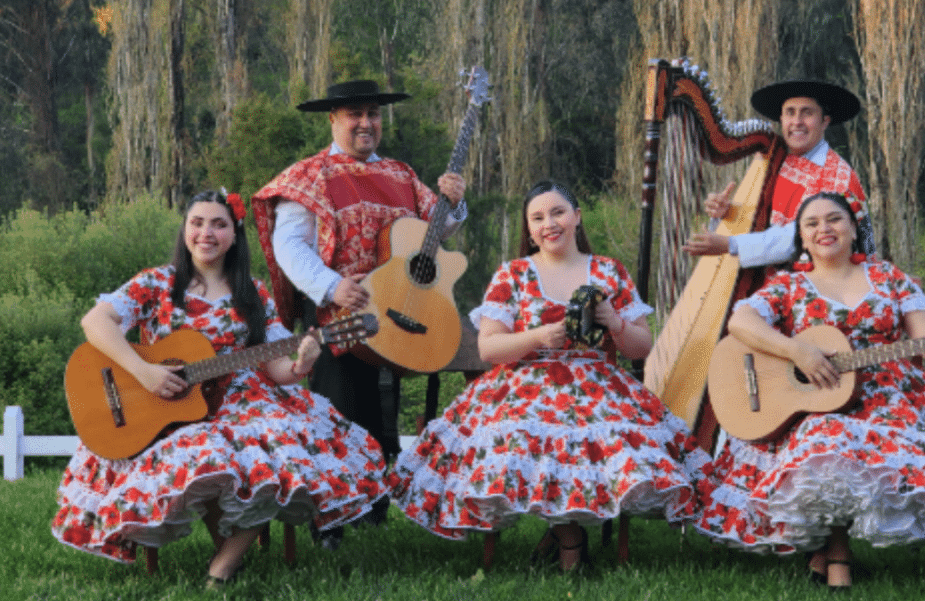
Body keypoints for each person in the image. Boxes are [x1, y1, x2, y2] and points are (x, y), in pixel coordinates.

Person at [691, 191, 925, 589]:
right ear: (802, 240)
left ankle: (829, 555)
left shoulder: (888, 278)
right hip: (813, 397)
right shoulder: (788, 285)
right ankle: (834, 555)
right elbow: (741, 322)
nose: (824, 229)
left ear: (853, 229)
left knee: (838, 439)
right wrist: (799, 352)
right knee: (824, 433)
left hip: (888, 395)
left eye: (834, 220)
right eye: (812, 224)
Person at [51, 190, 390, 589]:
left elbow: (278, 368)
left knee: (277, 448)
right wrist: (143, 372)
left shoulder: (254, 292)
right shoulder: (157, 283)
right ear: (185, 229)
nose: (206, 233)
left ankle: (224, 566)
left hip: (243, 402)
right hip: (167, 402)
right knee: (210, 453)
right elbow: (96, 322)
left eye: (218, 224)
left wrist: (304, 360)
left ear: (234, 233)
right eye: (197, 222)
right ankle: (228, 555)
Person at [389, 180, 717, 571]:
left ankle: (563, 531)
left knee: (607, 441)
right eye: (538, 217)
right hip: (525, 383)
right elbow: (489, 348)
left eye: (558, 212)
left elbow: (641, 347)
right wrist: (537, 336)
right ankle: (570, 536)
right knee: (516, 439)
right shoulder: (513, 274)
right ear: (529, 229)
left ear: (577, 217)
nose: (549, 223)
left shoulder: (610, 271)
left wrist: (614, 322)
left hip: (597, 384)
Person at [250, 80, 466, 545]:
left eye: (372, 113)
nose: (366, 123)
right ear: (334, 120)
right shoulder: (309, 176)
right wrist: (331, 286)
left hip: (399, 309)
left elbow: (437, 229)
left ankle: (372, 504)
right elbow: (289, 244)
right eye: (355, 114)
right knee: (337, 411)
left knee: (379, 410)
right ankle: (330, 515)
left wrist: (455, 199)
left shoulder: (401, 174)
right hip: (339, 311)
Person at [684, 80, 875, 267]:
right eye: (790, 113)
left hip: (824, 284)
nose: (797, 122)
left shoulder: (836, 178)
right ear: (781, 119)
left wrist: (730, 244)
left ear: (824, 121)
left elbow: (796, 239)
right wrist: (728, 212)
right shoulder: (782, 160)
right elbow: (767, 221)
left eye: (807, 113)